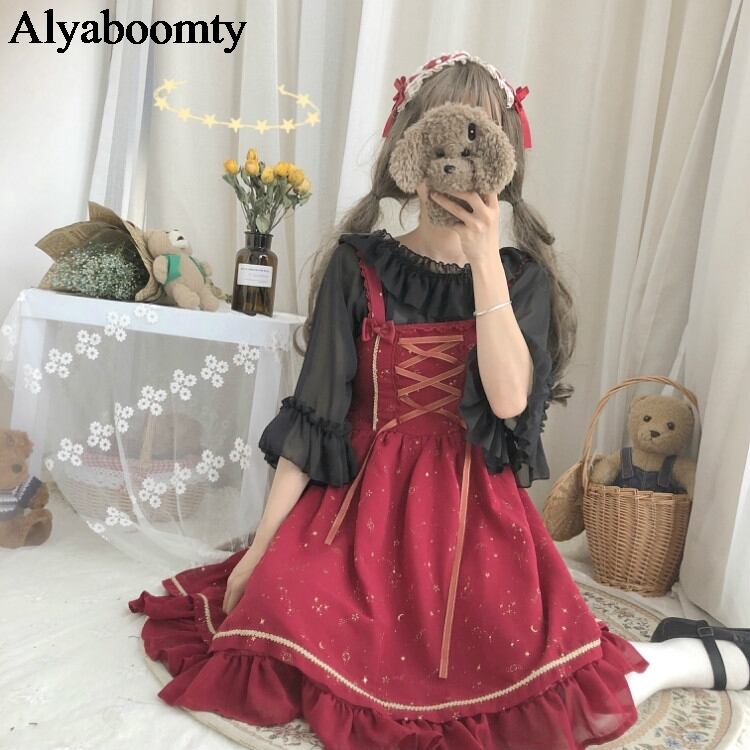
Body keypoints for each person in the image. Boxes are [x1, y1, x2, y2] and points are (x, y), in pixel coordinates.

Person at [128, 51, 750, 750]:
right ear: (410, 150)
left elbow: (510, 402)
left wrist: (484, 259)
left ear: (504, 161)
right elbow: (314, 417)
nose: (457, 163)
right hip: (356, 505)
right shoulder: (357, 264)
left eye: (478, 141)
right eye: (441, 136)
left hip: (473, 510)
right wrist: (259, 553)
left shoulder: (520, 278)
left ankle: (684, 658)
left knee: (544, 677)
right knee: (279, 626)